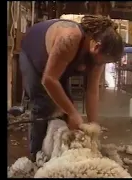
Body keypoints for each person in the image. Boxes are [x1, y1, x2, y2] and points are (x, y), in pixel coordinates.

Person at [19, 15, 124, 161]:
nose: (103, 64)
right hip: (34, 52)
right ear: (97, 47)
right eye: (105, 60)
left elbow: (92, 91)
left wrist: (93, 128)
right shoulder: (70, 38)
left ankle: (61, 153)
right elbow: (49, 79)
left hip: (58, 59)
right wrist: (73, 112)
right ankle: (36, 156)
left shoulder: (98, 55)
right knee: (44, 105)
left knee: (66, 109)